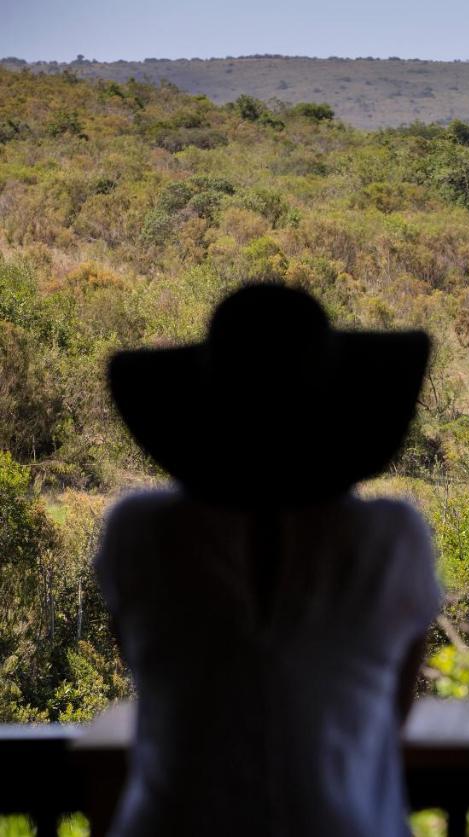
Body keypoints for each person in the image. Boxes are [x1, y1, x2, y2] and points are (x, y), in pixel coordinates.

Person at [95, 283, 442, 836]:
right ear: (339, 413)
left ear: (202, 410)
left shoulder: (139, 531)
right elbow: (391, 713)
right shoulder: (391, 537)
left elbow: (143, 665)